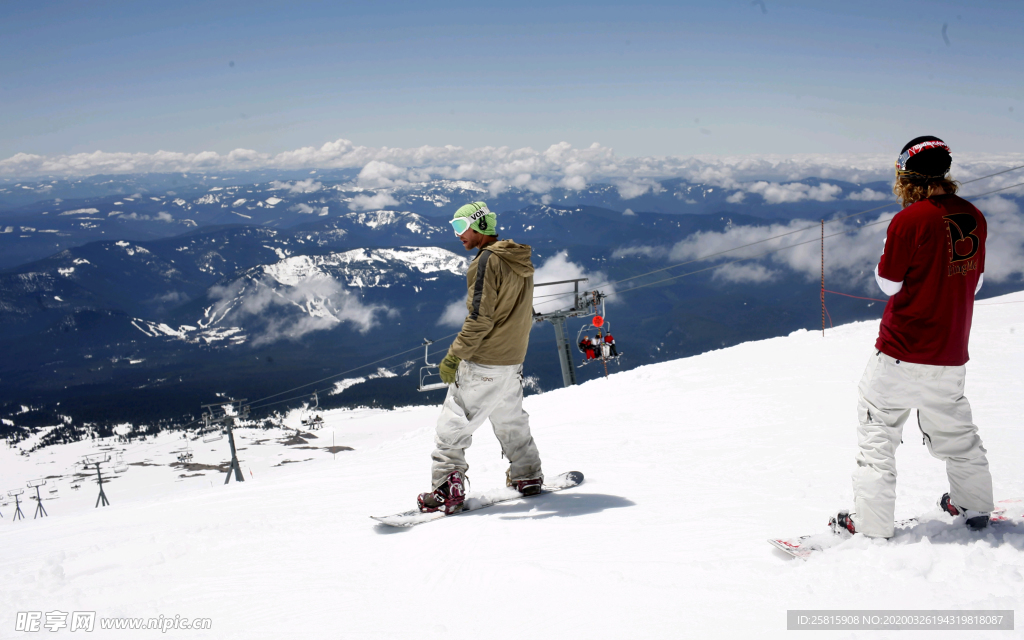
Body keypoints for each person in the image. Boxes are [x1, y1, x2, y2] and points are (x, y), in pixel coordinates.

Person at [831, 136, 994, 538]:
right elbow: (974, 283)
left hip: (901, 351)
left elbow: (888, 284)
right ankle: (974, 509)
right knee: (957, 433)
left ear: (906, 173)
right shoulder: (973, 216)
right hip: (951, 351)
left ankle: (871, 527)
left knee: (878, 436)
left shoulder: (910, 220)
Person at [417, 202, 543, 515]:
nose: (458, 235)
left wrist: (453, 356)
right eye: (454, 227)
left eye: (461, 227)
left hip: (485, 359)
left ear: (481, 226)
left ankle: (447, 485)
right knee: (510, 419)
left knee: (453, 423)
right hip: (512, 359)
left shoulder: (487, 261)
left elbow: (479, 318)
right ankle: (527, 474)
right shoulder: (518, 260)